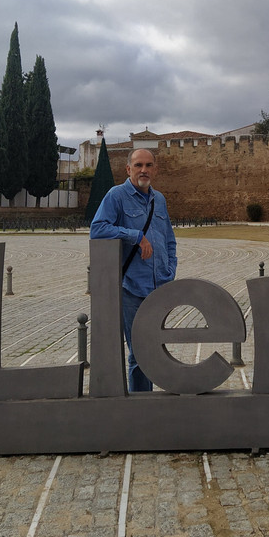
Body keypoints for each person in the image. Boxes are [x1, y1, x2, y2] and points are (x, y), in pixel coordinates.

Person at [90, 148, 177, 391]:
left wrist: (171, 270)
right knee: (139, 352)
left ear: (155, 170)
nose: (144, 170)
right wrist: (135, 235)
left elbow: (169, 239)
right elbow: (97, 229)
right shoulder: (116, 196)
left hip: (159, 287)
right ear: (128, 169)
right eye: (138, 165)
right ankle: (141, 407)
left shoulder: (159, 199)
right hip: (132, 289)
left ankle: (147, 401)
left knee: (155, 349)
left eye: (149, 165)